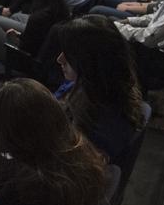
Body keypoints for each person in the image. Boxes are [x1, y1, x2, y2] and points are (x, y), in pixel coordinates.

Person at [56, 16, 145, 162]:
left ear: (89, 62)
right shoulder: (102, 88)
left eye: (69, 55)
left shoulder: (97, 130)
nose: (59, 59)